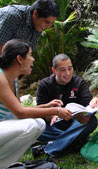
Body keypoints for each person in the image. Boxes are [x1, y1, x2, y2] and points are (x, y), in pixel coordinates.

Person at [0, 39, 72, 169]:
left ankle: (7, 164)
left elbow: (17, 108)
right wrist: (56, 111)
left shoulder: (14, 79)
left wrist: (46, 106)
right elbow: (20, 113)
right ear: (19, 59)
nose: (33, 59)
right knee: (31, 125)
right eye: (30, 55)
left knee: (39, 124)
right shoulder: (0, 78)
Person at [35, 53, 98, 157]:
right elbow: (40, 110)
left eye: (70, 68)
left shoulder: (79, 82)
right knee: (37, 126)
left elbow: (87, 105)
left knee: (92, 121)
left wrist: (93, 104)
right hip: (53, 125)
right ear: (54, 70)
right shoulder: (44, 85)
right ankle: (74, 140)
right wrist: (52, 115)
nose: (67, 73)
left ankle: (52, 147)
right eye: (63, 70)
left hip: (74, 124)